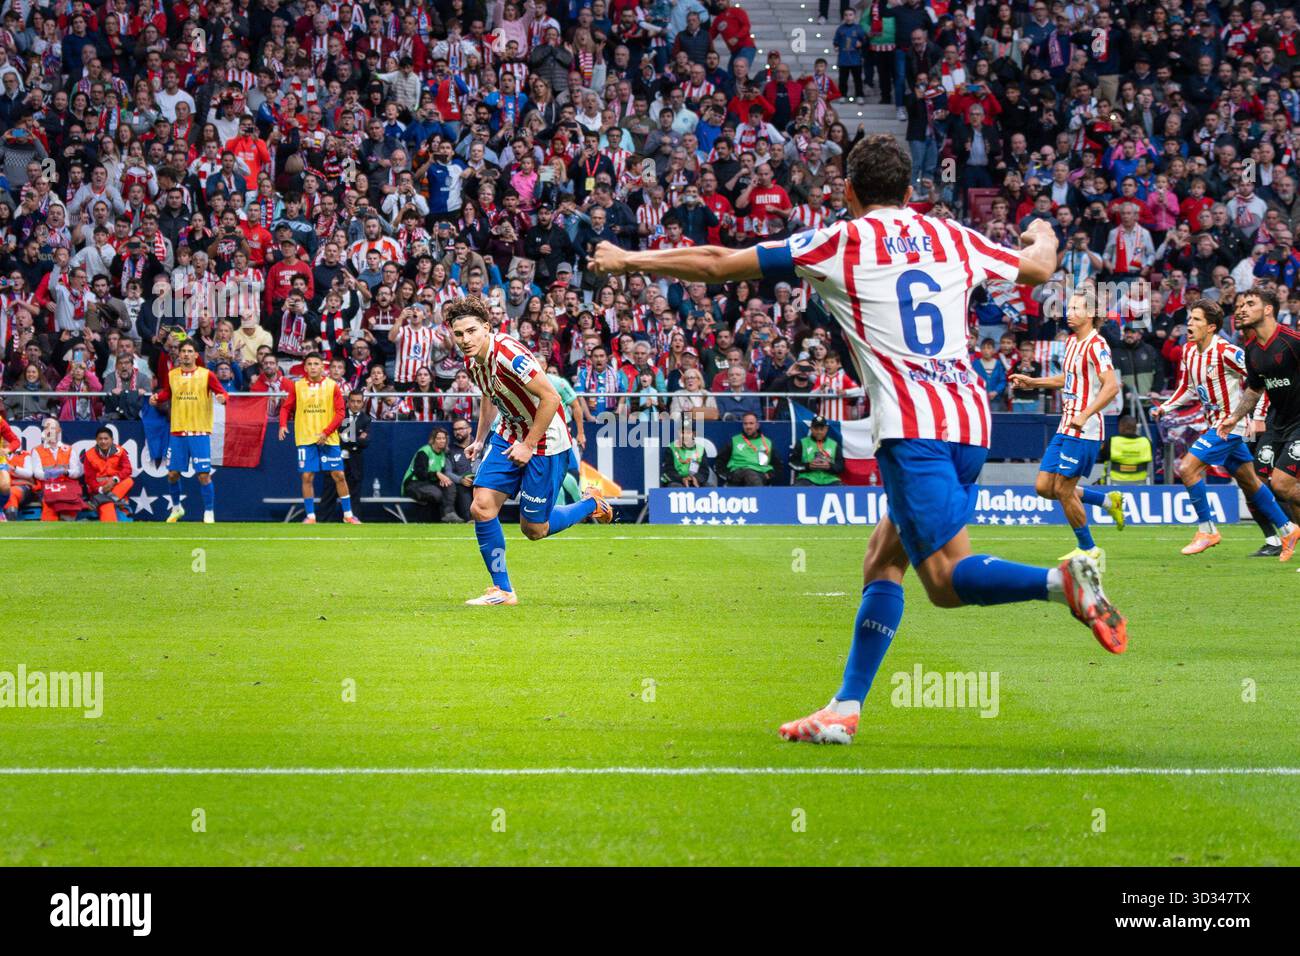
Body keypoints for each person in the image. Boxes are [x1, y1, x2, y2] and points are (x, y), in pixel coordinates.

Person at [592, 134, 1128, 748]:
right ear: (909, 193)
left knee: (947, 584)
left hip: (912, 427)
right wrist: (1042, 232)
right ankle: (845, 708)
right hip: (970, 420)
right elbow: (1038, 266)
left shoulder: (838, 241)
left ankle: (1063, 584)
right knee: (883, 560)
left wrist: (628, 260)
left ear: (847, 191)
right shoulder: (951, 235)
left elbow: (718, 263)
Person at [448, 297, 613, 607]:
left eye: (471, 331)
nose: (465, 340)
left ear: (486, 327)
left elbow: (551, 398)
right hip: (507, 432)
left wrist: (527, 444)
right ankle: (503, 590)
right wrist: (481, 438)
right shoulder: (471, 361)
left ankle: (592, 504)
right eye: (459, 334)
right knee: (481, 507)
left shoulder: (509, 354)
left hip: (546, 439)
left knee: (534, 530)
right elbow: (489, 395)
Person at [1151, 300, 1298, 556]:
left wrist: (1261, 414)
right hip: (1215, 425)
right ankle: (1288, 530)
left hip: (1231, 425)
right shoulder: (1188, 352)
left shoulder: (1227, 351)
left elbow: (1261, 379)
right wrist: (1166, 407)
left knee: (1187, 468)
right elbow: (1186, 388)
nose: (1189, 324)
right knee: (1250, 481)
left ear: (1211, 327)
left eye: (1196, 320)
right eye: (1189, 319)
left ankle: (1207, 530)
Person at [1009, 291, 1127, 567]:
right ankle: (1107, 501)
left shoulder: (1097, 345)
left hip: (1085, 428)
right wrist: (1032, 382)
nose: (1068, 313)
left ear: (1091, 314)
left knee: (1063, 489)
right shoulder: (1073, 342)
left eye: (1075, 308)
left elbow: (1111, 386)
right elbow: (1068, 378)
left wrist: (1085, 414)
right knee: (1044, 487)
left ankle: (1089, 549)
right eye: (1069, 307)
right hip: (1066, 423)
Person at [1214, 289, 1300, 563]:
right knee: (1260, 481)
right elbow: (1254, 389)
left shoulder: (1292, 342)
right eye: (1239, 305)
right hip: (1278, 423)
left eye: (1250, 304)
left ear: (1268, 310)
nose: (1241, 309)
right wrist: (1235, 417)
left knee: (1283, 484)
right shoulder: (1252, 351)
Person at [278, 351, 359, 525]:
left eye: (316, 364)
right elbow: (286, 408)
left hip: (328, 438)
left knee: (338, 475)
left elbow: (340, 412)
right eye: (310, 364)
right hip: (306, 438)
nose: (313, 367)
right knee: (307, 476)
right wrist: (283, 425)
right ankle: (311, 516)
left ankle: (348, 515)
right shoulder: (297, 386)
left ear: (323, 367)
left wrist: (326, 432)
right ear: (305, 367)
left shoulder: (332, 386)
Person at [150, 340, 227, 523]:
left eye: (189, 351)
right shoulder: (172, 375)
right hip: (178, 432)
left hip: (199, 432)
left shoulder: (206, 375)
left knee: (203, 475)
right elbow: (167, 394)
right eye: (183, 351)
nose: (185, 354)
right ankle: (177, 509)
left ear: (195, 355)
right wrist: (156, 398)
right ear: (179, 355)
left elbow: (223, 393)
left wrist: (222, 397)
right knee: (172, 474)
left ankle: (208, 512)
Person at [320, 392, 371, 523]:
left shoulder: (366, 419)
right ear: (347, 402)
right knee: (329, 491)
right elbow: (334, 438)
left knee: (354, 492)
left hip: (355, 461)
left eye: (358, 401)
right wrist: (355, 440)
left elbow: (365, 442)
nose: (355, 404)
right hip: (336, 458)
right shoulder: (339, 416)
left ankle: (353, 519)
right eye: (352, 401)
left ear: (362, 403)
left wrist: (347, 439)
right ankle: (323, 521)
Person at [401, 427, 463, 523]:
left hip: (430, 483)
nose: (442, 441)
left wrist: (441, 479)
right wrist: (437, 474)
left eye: (444, 438)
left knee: (449, 485)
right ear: (433, 440)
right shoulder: (425, 451)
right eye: (438, 438)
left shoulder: (443, 455)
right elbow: (420, 474)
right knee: (436, 494)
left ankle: (449, 514)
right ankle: (431, 519)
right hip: (414, 483)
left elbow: (440, 474)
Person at [80, 426, 134, 522]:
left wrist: (114, 480)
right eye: (100, 439)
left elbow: (127, 469)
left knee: (129, 481)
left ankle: (98, 500)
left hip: (116, 486)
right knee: (107, 505)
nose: (103, 441)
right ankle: (106, 501)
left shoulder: (120, 451)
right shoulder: (89, 455)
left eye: (106, 438)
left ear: (112, 440)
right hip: (100, 489)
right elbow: (89, 479)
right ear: (96, 440)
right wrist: (101, 489)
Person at [715, 412, 781, 486]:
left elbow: (778, 465)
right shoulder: (735, 440)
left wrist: (769, 475)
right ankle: (759, 496)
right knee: (748, 473)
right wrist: (728, 476)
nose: (748, 426)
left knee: (751, 475)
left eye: (751, 423)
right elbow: (719, 461)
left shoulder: (766, 442)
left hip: (759, 474)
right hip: (737, 473)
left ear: (757, 425)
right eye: (745, 424)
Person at [789, 415, 845, 486]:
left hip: (830, 479)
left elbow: (841, 466)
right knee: (797, 488)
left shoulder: (834, 445)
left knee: (843, 489)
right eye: (816, 429)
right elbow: (792, 463)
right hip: (807, 479)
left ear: (826, 429)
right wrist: (808, 466)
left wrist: (829, 466)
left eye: (822, 429)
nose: (819, 432)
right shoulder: (802, 443)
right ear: (811, 429)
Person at [1098, 416, 1152, 485]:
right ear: (1136, 428)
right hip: (1141, 482)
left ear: (1120, 427)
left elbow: (1102, 458)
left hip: (1113, 482)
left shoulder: (1112, 442)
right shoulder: (1146, 442)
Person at [660, 422, 713, 487]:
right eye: (682, 432)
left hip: (694, 480)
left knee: (709, 487)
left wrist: (696, 478)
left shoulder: (700, 449)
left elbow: (704, 470)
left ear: (694, 434)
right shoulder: (671, 448)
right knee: (675, 487)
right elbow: (669, 470)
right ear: (678, 433)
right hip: (676, 480)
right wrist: (682, 479)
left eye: (688, 433)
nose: (685, 436)